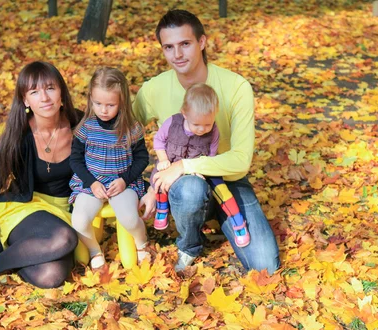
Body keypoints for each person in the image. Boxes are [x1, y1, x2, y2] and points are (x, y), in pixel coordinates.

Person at [132, 9, 280, 274]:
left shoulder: (236, 87)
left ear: (201, 42)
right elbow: (121, 133)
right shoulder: (153, 88)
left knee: (265, 267)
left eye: (185, 44)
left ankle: (219, 214)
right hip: (183, 186)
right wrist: (143, 185)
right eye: (169, 47)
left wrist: (185, 165)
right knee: (190, 190)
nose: (177, 55)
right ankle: (191, 241)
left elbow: (241, 161)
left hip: (226, 180)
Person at [0, 61, 83, 289]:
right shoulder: (19, 135)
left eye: (50, 88)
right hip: (27, 207)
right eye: (34, 92)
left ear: (61, 91)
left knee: (51, 276)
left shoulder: (81, 125)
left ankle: (9, 252)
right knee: (64, 238)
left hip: (67, 210)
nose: (44, 98)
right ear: (25, 100)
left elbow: (112, 159)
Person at [68, 67, 150, 269]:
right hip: (92, 184)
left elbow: (142, 158)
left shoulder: (131, 128)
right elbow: (75, 160)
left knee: (130, 218)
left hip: (123, 182)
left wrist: (124, 179)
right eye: (98, 103)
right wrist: (92, 183)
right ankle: (95, 250)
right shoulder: (86, 127)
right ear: (90, 99)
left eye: (110, 105)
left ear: (122, 101)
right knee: (78, 220)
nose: (103, 110)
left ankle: (142, 242)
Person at [151, 83, 250, 249]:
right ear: (185, 113)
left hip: (201, 169)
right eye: (196, 124)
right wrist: (162, 159)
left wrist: (200, 170)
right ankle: (162, 208)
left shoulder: (214, 131)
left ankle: (238, 221)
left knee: (222, 189)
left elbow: (211, 156)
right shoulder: (172, 123)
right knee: (159, 177)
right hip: (172, 164)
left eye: (207, 125)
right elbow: (158, 141)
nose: (202, 130)